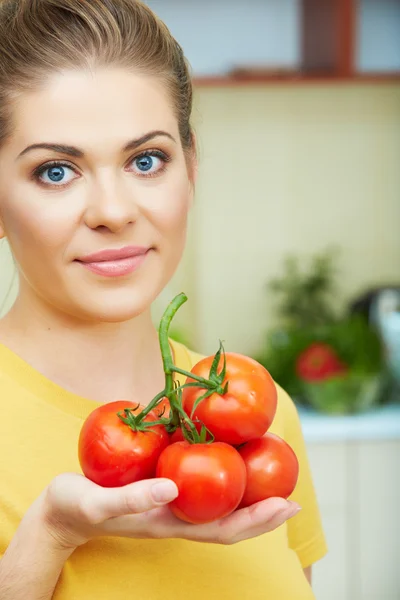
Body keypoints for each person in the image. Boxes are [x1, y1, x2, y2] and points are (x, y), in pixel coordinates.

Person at [0, 1, 327, 598]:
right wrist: (49, 532)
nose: (114, 212)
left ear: (191, 167)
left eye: (146, 160)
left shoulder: (260, 417)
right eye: (55, 171)